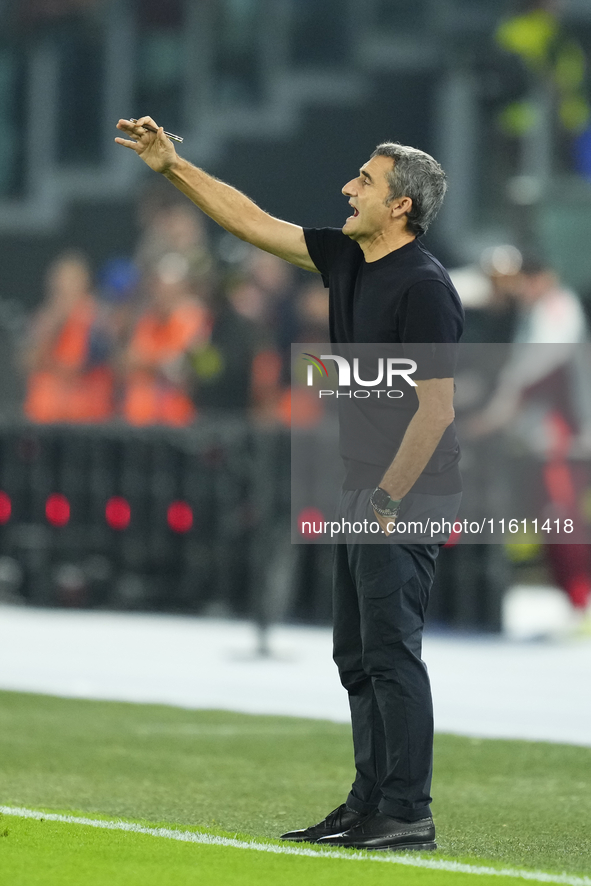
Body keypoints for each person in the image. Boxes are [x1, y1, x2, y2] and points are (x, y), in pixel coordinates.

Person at [115, 117, 463, 851]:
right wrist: (172, 166)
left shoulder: (426, 287)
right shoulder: (346, 257)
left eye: (364, 180)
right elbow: (249, 221)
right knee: (357, 656)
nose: (348, 187)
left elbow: (435, 412)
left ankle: (407, 810)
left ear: (400, 205)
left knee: (392, 652)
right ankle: (370, 803)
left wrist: (387, 499)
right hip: (362, 488)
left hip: (401, 494)